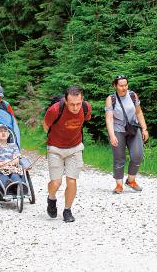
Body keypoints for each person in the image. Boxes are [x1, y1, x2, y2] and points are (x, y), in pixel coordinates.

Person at [43, 85, 92, 223]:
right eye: (72, 104)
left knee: (71, 180)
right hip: (55, 148)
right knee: (56, 182)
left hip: (75, 148)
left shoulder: (86, 107)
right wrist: (55, 138)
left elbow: (86, 119)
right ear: (65, 100)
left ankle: (67, 210)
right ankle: (51, 198)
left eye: (78, 104)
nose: (76, 108)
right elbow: (46, 125)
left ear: (82, 100)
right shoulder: (55, 110)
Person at [105, 75, 149, 194]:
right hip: (118, 130)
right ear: (115, 86)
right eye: (121, 85)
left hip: (133, 128)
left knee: (137, 155)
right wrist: (112, 135)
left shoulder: (132, 95)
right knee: (119, 158)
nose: (124, 88)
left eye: (126, 85)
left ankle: (131, 180)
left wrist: (144, 128)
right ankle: (119, 185)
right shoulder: (111, 99)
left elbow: (139, 113)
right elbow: (109, 119)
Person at [0, 124, 23, 188]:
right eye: (0, 131)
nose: (3, 133)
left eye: (5, 131)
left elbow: (16, 159)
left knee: (15, 176)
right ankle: (8, 186)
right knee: (3, 177)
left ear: (8, 134)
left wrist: (9, 162)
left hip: (12, 168)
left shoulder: (13, 146)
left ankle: (20, 187)